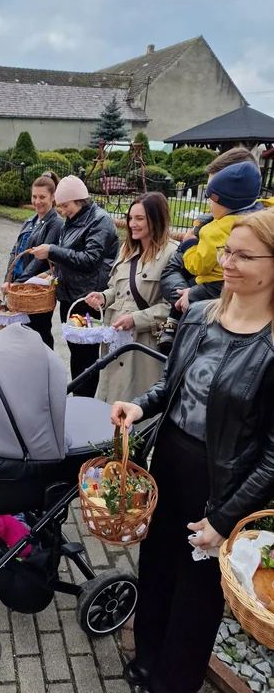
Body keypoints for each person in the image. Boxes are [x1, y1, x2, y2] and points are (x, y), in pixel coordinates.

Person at [111, 208, 274, 693]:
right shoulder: (201, 315)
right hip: (172, 463)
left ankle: (172, 681)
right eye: (228, 251)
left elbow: (271, 453)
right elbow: (170, 387)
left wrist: (225, 517)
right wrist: (138, 407)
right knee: (157, 567)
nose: (228, 262)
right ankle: (146, 661)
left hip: (225, 484)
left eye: (244, 255)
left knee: (198, 594)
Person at [158, 148, 263, 352]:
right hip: (196, 321)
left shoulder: (252, 232)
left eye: (213, 197)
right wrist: (184, 297)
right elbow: (172, 269)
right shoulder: (207, 224)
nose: (226, 261)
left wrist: (195, 295)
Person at [86, 192, 177, 409]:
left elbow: (174, 306)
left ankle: (132, 443)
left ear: (156, 219)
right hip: (115, 339)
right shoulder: (126, 250)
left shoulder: (171, 254)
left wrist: (137, 319)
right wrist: (103, 297)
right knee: (109, 396)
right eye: (130, 218)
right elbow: (115, 289)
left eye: (140, 218)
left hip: (143, 345)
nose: (132, 224)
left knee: (133, 400)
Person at [31, 175, 118, 396]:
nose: (62, 210)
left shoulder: (100, 220)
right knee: (75, 353)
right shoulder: (73, 219)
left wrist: (51, 250)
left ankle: (84, 400)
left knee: (87, 357)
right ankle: (78, 397)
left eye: (65, 205)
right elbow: (68, 259)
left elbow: (89, 260)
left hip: (88, 300)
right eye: (60, 206)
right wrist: (50, 275)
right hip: (69, 297)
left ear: (79, 200)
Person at [0, 171, 63, 348]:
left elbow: (41, 260)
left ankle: (45, 372)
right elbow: (15, 251)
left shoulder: (56, 224)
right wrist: (9, 279)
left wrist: (19, 283)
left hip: (37, 290)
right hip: (21, 289)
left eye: (42, 197)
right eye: (34, 196)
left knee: (39, 334)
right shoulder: (30, 220)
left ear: (53, 197)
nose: (37, 201)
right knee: (22, 337)